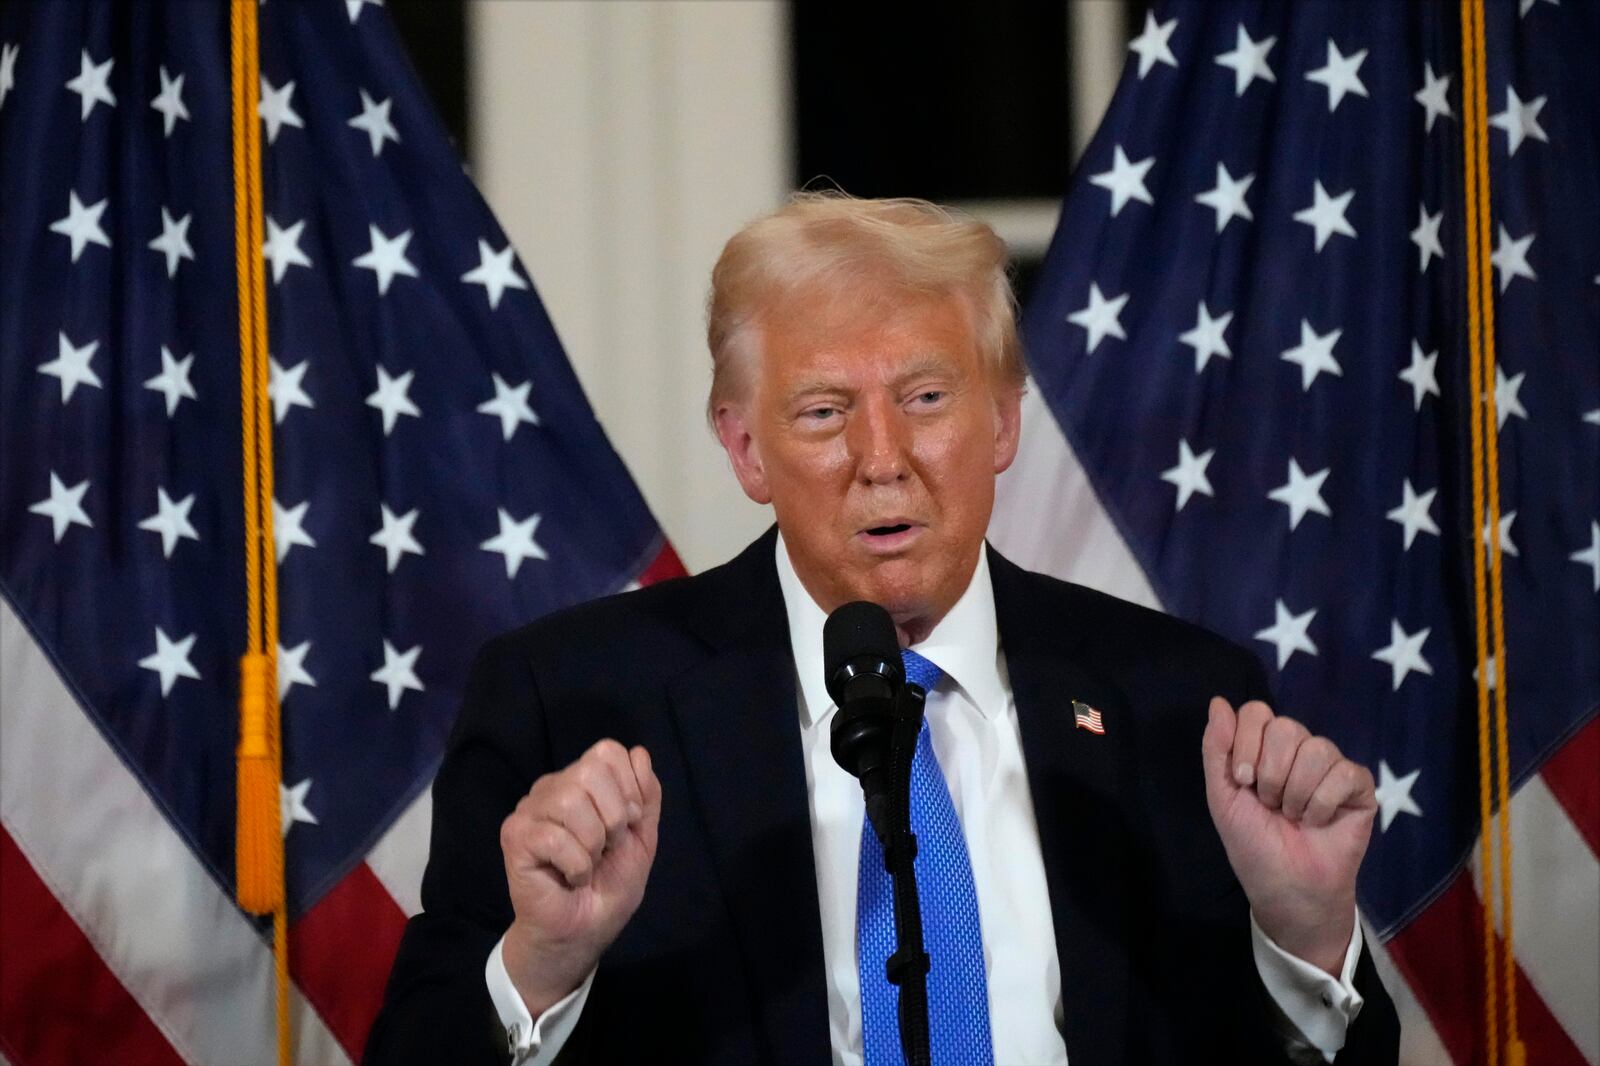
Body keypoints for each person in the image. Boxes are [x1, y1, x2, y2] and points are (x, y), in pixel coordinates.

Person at [367, 193, 1399, 1065]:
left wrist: (1304, 938)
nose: (882, 455)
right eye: (822, 411)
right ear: (745, 449)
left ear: (1002, 420)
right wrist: (540, 965)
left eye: (926, 396)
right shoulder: (572, 704)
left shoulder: (1184, 704)